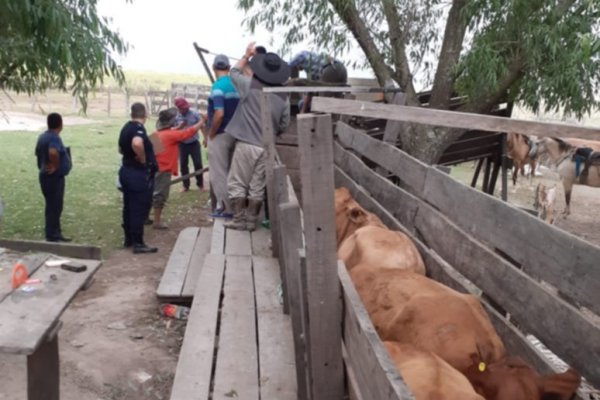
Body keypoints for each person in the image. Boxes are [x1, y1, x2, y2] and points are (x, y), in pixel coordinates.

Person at [224, 42, 291, 231]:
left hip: (246, 142)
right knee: (257, 185)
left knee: (237, 182)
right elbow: (284, 124)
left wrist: (246, 55)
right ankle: (252, 221)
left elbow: (234, 73)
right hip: (267, 146)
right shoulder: (283, 97)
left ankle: (239, 219)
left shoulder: (249, 85)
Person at [151, 108, 204, 229]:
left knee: (151, 193)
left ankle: (146, 218)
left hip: (153, 168)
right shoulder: (171, 135)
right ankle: (157, 222)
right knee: (160, 195)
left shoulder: (156, 134)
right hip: (163, 170)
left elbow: (170, 134)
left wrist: (179, 127)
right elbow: (188, 133)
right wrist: (201, 122)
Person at [118, 103, 158, 254]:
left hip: (126, 171)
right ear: (145, 114)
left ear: (131, 114)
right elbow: (137, 143)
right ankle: (138, 242)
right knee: (138, 208)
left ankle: (128, 238)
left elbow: (121, 149)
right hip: (137, 173)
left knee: (128, 206)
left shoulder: (126, 128)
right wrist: (142, 158)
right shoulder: (138, 129)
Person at [205, 54, 240, 218]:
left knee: (219, 172)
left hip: (220, 133)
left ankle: (226, 208)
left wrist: (210, 133)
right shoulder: (236, 85)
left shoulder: (217, 86)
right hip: (236, 132)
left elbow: (219, 114)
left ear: (214, 68)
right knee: (234, 171)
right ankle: (236, 205)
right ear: (228, 67)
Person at [35, 113, 72, 242]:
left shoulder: (42, 137)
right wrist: (56, 165)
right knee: (54, 206)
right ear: (60, 124)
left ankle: (55, 232)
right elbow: (53, 152)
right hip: (53, 177)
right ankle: (52, 235)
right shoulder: (54, 138)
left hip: (45, 176)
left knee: (52, 205)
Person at [174, 97, 204, 192]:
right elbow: (173, 131)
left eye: (186, 108)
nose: (185, 109)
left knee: (198, 163)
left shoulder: (194, 114)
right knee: (183, 165)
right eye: (182, 108)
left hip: (194, 143)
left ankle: (200, 184)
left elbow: (202, 126)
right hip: (182, 144)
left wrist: (206, 138)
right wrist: (179, 127)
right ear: (178, 108)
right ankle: (185, 185)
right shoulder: (176, 117)